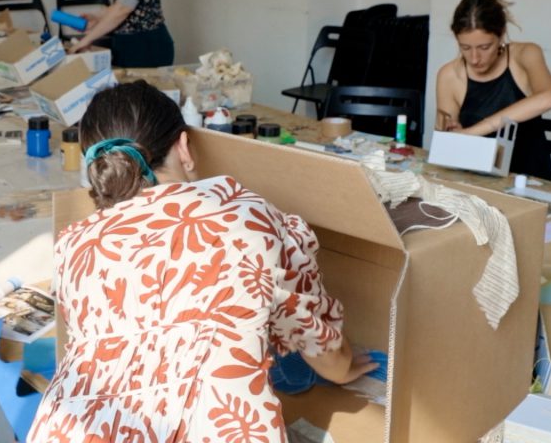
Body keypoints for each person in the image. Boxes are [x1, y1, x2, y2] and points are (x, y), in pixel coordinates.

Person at [27, 81, 376, 441]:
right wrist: (342, 368)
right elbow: (312, 335)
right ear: (184, 147)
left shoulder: (74, 245)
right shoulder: (248, 219)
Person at [435, 0, 551, 181]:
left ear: (501, 34)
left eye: (485, 47)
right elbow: (448, 147)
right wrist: (452, 135)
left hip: (533, 182)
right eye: (465, 48)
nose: (474, 59)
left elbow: (548, 98)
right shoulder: (449, 75)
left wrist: (472, 132)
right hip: (478, 183)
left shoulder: (525, 54)